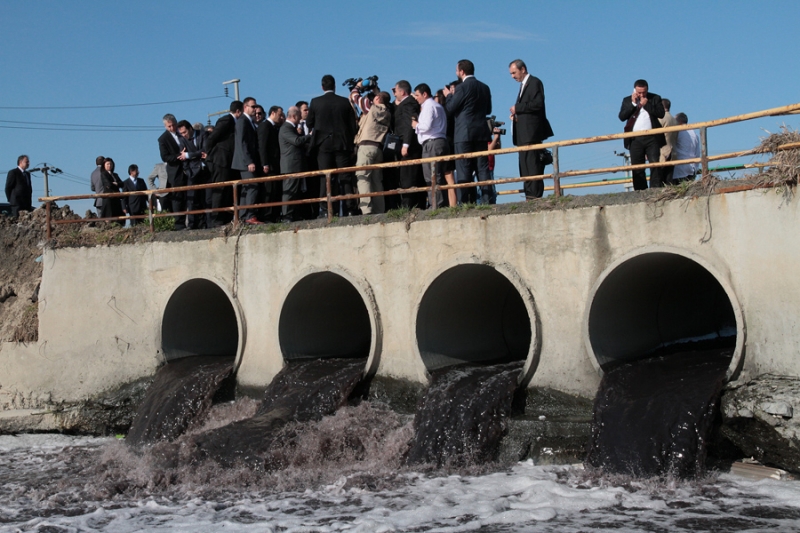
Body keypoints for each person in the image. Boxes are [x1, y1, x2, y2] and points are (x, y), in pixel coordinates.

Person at [306, 74, 358, 218]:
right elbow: (353, 125)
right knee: (345, 176)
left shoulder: (315, 102)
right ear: (334, 86)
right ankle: (350, 207)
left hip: (323, 145)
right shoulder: (344, 102)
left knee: (325, 176)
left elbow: (309, 123)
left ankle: (325, 208)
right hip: (342, 145)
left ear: (322, 87)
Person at [444, 59, 493, 204]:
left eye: (457, 70)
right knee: (482, 168)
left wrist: (449, 95)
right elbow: (488, 110)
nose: (456, 73)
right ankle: (487, 200)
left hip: (463, 134)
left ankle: (466, 202)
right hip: (481, 132)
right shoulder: (485, 87)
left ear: (462, 71)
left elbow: (450, 108)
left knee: (464, 169)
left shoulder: (462, 88)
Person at [509, 59, 554, 200]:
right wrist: (517, 118)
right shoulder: (523, 86)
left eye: (514, 73)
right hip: (523, 133)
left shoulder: (535, 82)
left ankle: (534, 194)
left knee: (532, 164)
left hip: (531, 133)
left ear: (523, 69)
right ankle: (529, 194)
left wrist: (518, 108)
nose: (512, 76)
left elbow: (538, 104)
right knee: (525, 165)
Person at [618, 79, 666, 190]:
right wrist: (633, 104)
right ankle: (640, 191)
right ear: (634, 90)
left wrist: (647, 104)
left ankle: (655, 189)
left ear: (647, 90)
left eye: (643, 92)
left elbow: (661, 114)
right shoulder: (627, 100)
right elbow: (622, 117)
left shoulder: (655, 98)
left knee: (654, 164)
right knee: (637, 166)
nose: (641, 94)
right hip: (635, 139)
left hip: (652, 137)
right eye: (639, 92)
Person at [353, 88, 391, 214]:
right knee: (376, 181)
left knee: (363, 177)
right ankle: (380, 210)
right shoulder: (387, 112)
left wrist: (357, 87)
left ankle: (367, 209)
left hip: (366, 146)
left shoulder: (372, 108)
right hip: (378, 148)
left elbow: (355, 98)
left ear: (378, 99)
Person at [411, 83, 450, 208]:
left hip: (432, 143)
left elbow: (426, 126)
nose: (416, 98)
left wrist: (416, 125)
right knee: (438, 175)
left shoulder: (428, 106)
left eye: (417, 95)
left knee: (432, 176)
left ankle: (436, 206)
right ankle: (440, 204)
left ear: (424, 94)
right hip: (440, 141)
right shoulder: (438, 106)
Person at [205, 100, 243, 226]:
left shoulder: (235, 122)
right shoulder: (227, 120)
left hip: (228, 161)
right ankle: (216, 218)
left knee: (227, 189)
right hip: (220, 160)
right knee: (220, 189)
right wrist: (210, 154)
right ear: (238, 111)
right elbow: (212, 137)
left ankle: (226, 217)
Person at [393, 80, 425, 209]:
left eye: (395, 91)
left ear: (402, 91)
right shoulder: (408, 103)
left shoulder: (408, 104)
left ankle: (409, 207)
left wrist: (406, 144)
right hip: (410, 146)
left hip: (410, 148)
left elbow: (408, 125)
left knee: (408, 177)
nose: (394, 94)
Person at [232, 97, 264, 225]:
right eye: (253, 106)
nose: (255, 109)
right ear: (245, 107)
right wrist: (249, 161)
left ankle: (243, 215)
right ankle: (249, 215)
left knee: (247, 188)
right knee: (252, 186)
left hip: (246, 160)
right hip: (245, 161)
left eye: (256, 106)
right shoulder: (243, 121)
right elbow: (242, 143)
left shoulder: (248, 121)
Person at [278, 106, 312, 221]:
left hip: (296, 165)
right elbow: (297, 141)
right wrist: (309, 135)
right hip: (290, 166)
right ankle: (286, 215)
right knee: (289, 191)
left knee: (296, 192)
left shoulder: (291, 128)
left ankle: (293, 214)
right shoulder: (286, 128)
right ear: (294, 116)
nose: (300, 118)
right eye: (299, 115)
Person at [177, 119, 209, 229]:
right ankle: (192, 224)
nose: (183, 135)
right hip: (192, 172)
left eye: (185, 132)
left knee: (206, 198)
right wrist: (188, 171)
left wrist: (188, 155)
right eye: (181, 133)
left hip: (205, 170)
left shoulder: (203, 134)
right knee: (192, 199)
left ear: (191, 129)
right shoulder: (182, 140)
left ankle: (206, 223)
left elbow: (205, 150)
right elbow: (183, 158)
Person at [158, 113, 187, 229]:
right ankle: (179, 223)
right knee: (178, 197)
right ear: (165, 126)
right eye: (169, 126)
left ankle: (194, 221)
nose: (172, 128)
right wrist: (178, 156)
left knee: (190, 195)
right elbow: (165, 157)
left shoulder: (183, 131)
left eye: (173, 125)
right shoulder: (163, 139)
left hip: (189, 168)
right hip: (175, 171)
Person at [258, 105, 283, 222]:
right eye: (279, 114)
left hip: (275, 164)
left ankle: (274, 215)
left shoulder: (274, 127)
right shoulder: (265, 126)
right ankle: (267, 215)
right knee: (268, 190)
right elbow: (262, 146)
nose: (281, 117)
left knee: (275, 190)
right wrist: (265, 164)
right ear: (273, 113)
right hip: (269, 165)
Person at [434, 88, 458, 207]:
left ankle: (452, 204)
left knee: (448, 176)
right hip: (450, 143)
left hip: (445, 144)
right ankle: (451, 204)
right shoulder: (449, 112)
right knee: (448, 176)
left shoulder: (443, 111)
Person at [672, 112, 701, 183]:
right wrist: (696, 168)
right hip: (692, 168)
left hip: (679, 170)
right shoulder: (694, 133)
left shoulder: (678, 132)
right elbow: (697, 152)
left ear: (679, 121)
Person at [659, 98, 679, 185]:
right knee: (669, 179)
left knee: (660, 179)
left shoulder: (660, 118)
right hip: (673, 151)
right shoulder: (675, 120)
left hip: (662, 152)